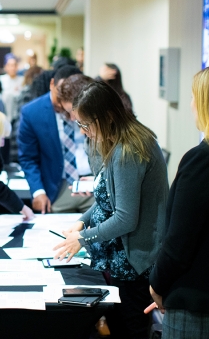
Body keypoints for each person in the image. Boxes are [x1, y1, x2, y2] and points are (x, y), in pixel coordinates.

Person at [53, 81, 168, 339]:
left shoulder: (128, 150)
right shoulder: (118, 141)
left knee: (130, 331)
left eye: (85, 124)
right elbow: (108, 200)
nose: (83, 132)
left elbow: (125, 218)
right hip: (123, 259)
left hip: (135, 263)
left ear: (106, 117)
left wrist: (83, 238)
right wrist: (83, 222)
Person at [149, 65, 209, 338]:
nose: (190, 105)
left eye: (193, 97)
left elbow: (179, 243)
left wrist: (156, 285)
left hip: (196, 308)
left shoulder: (203, 160)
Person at [18, 66, 93, 214]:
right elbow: (28, 158)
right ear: (52, 84)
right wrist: (38, 191)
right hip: (58, 188)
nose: (62, 100)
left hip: (92, 184)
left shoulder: (88, 107)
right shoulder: (32, 112)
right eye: (61, 92)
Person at [0, 53, 24, 123]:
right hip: (4, 116)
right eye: (10, 65)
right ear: (5, 67)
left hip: (18, 117)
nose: (12, 68)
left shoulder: (22, 80)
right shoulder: (1, 80)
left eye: (14, 65)